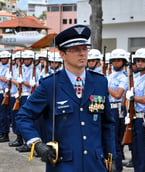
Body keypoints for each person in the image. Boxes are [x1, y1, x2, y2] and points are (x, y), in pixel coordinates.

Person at [16, 24, 116, 172]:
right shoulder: (50, 85)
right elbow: (23, 117)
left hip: (94, 164)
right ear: (62, 55)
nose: (82, 53)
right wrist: (37, 143)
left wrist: (111, 157)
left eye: (84, 49)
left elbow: (107, 124)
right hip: (64, 164)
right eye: (76, 50)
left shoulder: (100, 82)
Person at [126, 48, 145, 172]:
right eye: (138, 61)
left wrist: (133, 98)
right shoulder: (136, 78)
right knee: (136, 152)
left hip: (144, 119)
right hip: (135, 117)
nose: (139, 63)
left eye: (143, 61)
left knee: (143, 153)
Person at [107, 48, 129, 172]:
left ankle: (117, 165)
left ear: (123, 62)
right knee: (108, 138)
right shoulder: (110, 75)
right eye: (114, 60)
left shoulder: (124, 76)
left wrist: (105, 85)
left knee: (115, 140)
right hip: (108, 107)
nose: (116, 62)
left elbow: (117, 94)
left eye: (118, 60)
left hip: (117, 109)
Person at [0, 50, 11, 142]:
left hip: (4, 92)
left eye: (5, 58)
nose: (3, 60)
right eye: (2, 58)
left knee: (4, 114)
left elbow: (7, 80)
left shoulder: (10, 68)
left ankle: (5, 133)